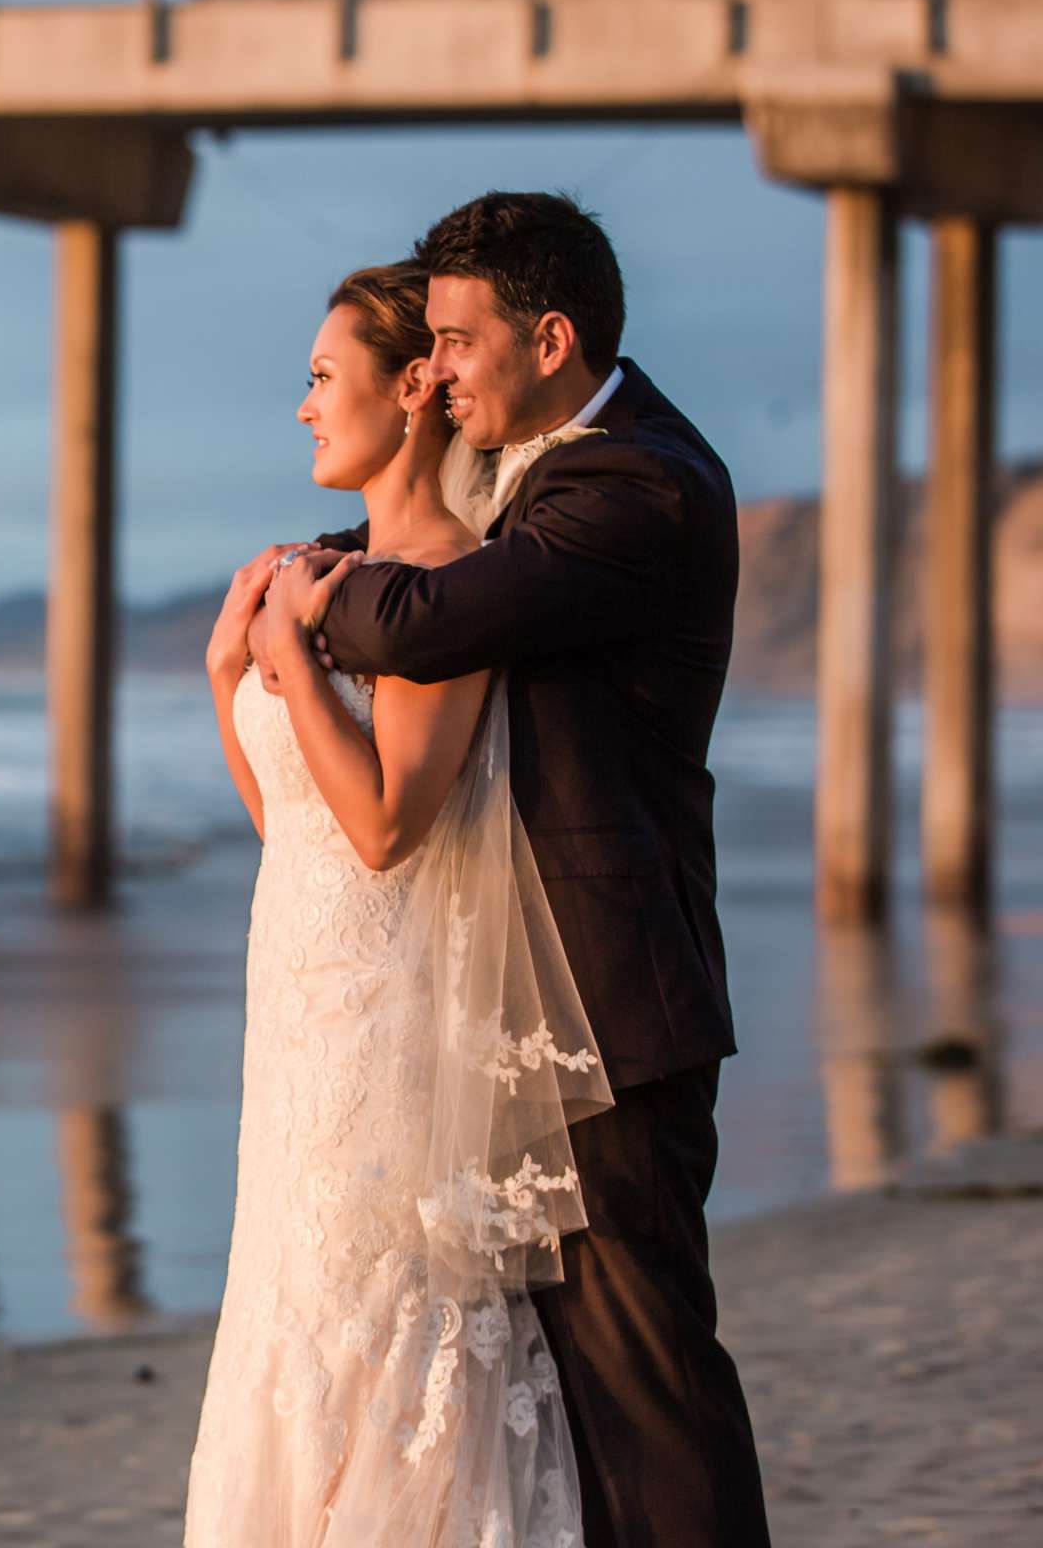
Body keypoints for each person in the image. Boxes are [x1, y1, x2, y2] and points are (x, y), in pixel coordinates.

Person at [260, 191, 771, 1547]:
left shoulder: (636, 484)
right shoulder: (533, 472)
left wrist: (314, 595)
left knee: (648, 1389)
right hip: (525, 1012)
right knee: (578, 1398)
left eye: (460, 340)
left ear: (550, 340)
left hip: (609, 1005)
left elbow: (435, 614)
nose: (439, 371)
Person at [186, 258, 613, 1546]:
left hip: (388, 1045)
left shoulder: (440, 579)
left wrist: (290, 671)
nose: (307, 407)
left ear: (414, 387)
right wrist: (229, 678)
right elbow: (296, 836)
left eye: (326, 377)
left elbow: (385, 828)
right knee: (292, 1334)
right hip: (299, 1031)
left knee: (381, 1356)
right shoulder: (328, 571)